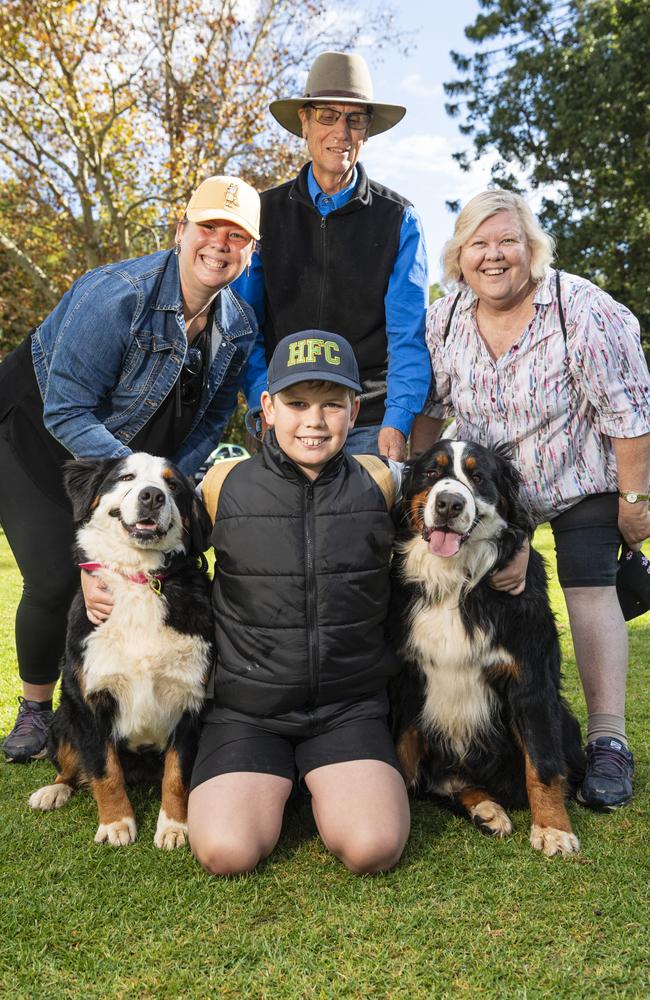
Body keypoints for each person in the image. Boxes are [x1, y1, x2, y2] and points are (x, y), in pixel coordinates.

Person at [0, 175, 261, 763]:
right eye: (208, 228)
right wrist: (129, 485)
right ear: (181, 230)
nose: (220, 244)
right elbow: (65, 407)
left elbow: (214, 418)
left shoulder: (237, 326)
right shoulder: (115, 294)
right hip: (35, 440)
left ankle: (151, 701)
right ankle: (39, 710)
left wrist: (166, 485)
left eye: (237, 235)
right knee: (56, 579)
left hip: (126, 467)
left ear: (252, 252)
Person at [412, 189, 650, 812]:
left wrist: (634, 497)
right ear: (459, 257)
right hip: (490, 489)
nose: (493, 256)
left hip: (579, 478)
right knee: (497, 599)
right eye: (478, 244)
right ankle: (478, 732)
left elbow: (629, 411)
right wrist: (405, 476)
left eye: (507, 241)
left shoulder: (581, 310)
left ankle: (606, 743)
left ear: (532, 249)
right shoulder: (444, 319)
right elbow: (432, 411)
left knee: (588, 587)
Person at [188, 331, 410, 875]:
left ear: (354, 410)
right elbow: (151, 546)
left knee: (373, 848)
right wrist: (98, 574)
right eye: (296, 403)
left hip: (348, 707)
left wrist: (514, 550)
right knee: (226, 852)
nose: (314, 420)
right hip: (248, 710)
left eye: (332, 404)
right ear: (266, 408)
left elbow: (462, 507)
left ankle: (323, 785)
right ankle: (274, 784)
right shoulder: (222, 483)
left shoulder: (382, 481)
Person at [234, 50, 430, 462]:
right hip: (283, 417)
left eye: (354, 118)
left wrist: (397, 421)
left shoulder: (399, 220)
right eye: (327, 115)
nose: (341, 131)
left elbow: (408, 338)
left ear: (367, 130)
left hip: (368, 422)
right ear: (304, 121)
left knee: (363, 529)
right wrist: (261, 400)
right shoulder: (261, 213)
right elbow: (244, 326)